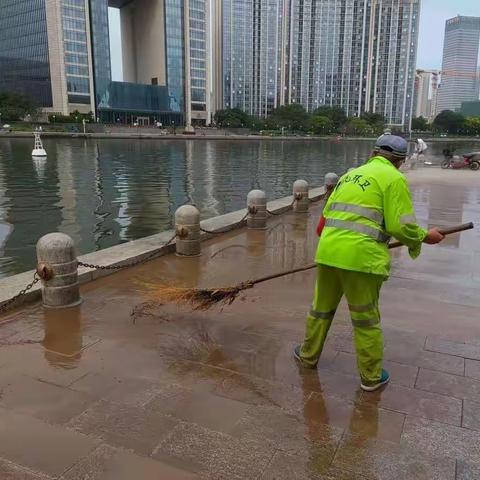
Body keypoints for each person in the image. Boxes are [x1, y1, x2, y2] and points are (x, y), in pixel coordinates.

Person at [294, 135, 445, 391]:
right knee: (365, 319)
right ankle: (371, 377)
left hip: (329, 252)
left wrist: (338, 243)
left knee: (320, 310)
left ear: (373, 153)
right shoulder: (394, 178)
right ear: (399, 161)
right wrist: (424, 237)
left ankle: (308, 356)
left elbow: (323, 222)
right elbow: (401, 225)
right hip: (361, 259)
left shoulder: (349, 176)